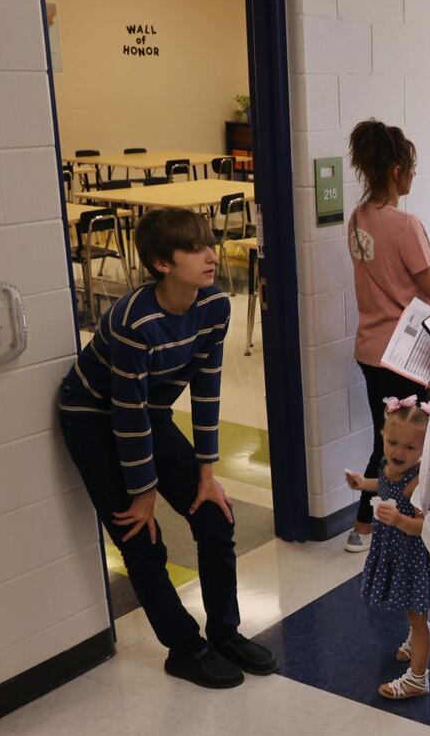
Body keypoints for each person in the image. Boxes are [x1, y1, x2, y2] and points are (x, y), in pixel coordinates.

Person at [57, 208, 275, 688]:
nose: (210, 255)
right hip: (92, 416)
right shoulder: (133, 322)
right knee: (140, 536)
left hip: (147, 410)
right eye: (194, 248)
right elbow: (125, 413)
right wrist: (144, 493)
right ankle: (184, 647)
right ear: (161, 263)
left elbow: (206, 388)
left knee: (215, 517)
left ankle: (224, 634)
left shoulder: (214, 306)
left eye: (208, 244)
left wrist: (206, 473)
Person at [345, 119, 430, 553]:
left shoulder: (359, 217)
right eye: (412, 168)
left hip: (369, 349)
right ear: (397, 171)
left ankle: (365, 527)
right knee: (411, 442)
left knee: (384, 438)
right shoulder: (404, 224)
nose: (413, 177)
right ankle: (396, 525)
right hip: (405, 355)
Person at [344, 398, 430, 700]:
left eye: (409, 448)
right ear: (382, 434)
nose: (398, 452)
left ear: (424, 450)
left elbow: (426, 527)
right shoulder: (388, 466)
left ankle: (418, 679)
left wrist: (399, 520)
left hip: (414, 559)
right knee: (413, 612)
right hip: (394, 552)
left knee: (417, 614)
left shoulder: (419, 483)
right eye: (393, 442)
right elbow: (382, 484)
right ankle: (415, 637)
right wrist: (362, 484)